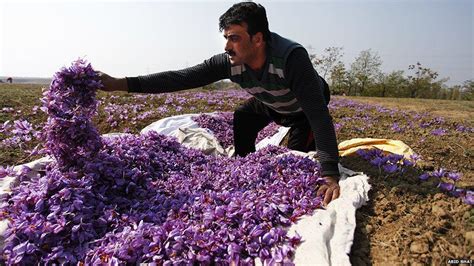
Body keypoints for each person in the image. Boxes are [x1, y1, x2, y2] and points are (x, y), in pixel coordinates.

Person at [98, 2, 341, 206]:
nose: (226, 46)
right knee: (244, 116)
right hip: (269, 101)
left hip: (302, 110)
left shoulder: (291, 58)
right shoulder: (229, 62)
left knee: (297, 157)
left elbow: (319, 115)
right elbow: (181, 78)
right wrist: (120, 83)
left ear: (257, 39)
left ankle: (301, 138)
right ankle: (246, 164)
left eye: (234, 38)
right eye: (226, 38)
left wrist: (330, 172)